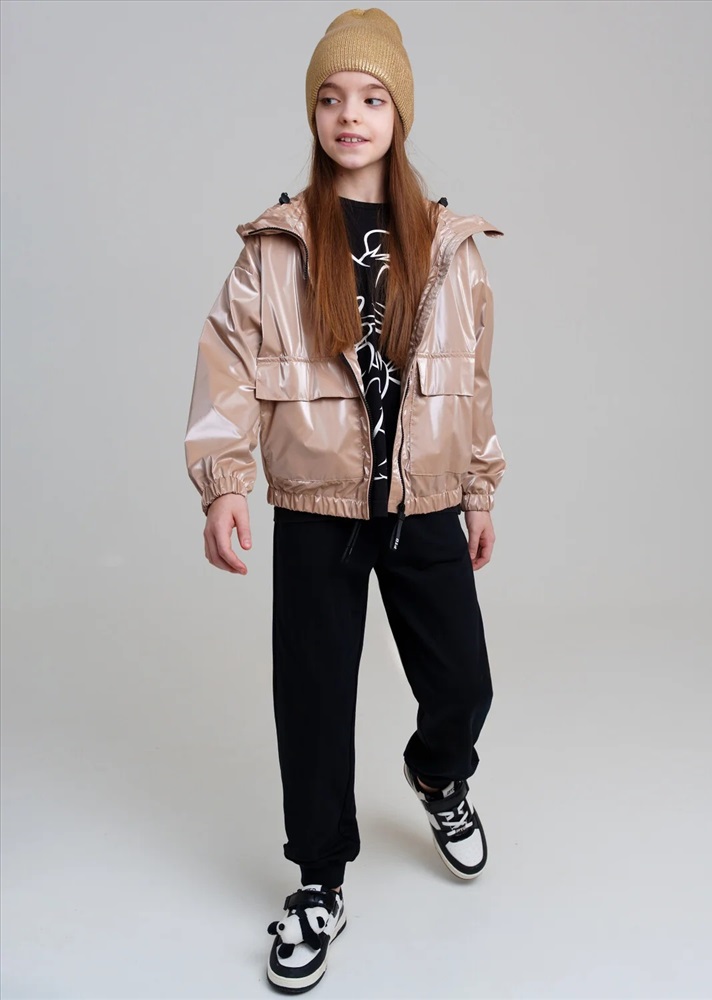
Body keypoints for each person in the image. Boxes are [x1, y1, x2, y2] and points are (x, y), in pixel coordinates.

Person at [184, 7, 507, 993]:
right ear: (314, 116)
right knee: (315, 702)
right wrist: (224, 483)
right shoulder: (277, 245)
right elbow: (228, 366)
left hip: (425, 504)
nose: (350, 116)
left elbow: (473, 378)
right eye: (330, 99)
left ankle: (440, 772)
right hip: (317, 506)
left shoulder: (447, 244)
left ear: (398, 113)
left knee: (464, 685)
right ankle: (319, 881)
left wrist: (479, 489)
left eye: (370, 98)